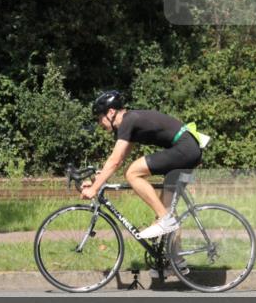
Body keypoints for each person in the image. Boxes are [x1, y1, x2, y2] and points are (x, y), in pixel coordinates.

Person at [82, 90, 203, 239]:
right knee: (167, 209)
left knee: (132, 173)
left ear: (111, 112)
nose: (99, 123)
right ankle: (176, 260)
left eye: (100, 118)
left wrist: (94, 188)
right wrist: (97, 181)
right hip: (189, 149)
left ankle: (165, 220)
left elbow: (115, 160)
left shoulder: (128, 120)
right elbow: (118, 160)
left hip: (185, 149)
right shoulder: (131, 123)